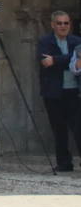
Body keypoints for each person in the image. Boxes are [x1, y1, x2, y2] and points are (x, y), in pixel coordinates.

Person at [35, 10, 81, 172]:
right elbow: (45, 62)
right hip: (54, 92)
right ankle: (64, 163)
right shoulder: (44, 41)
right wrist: (71, 58)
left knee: (78, 128)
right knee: (59, 129)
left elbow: (55, 61)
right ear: (53, 25)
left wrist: (55, 59)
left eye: (66, 23)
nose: (63, 26)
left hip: (74, 91)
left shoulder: (77, 41)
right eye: (59, 23)